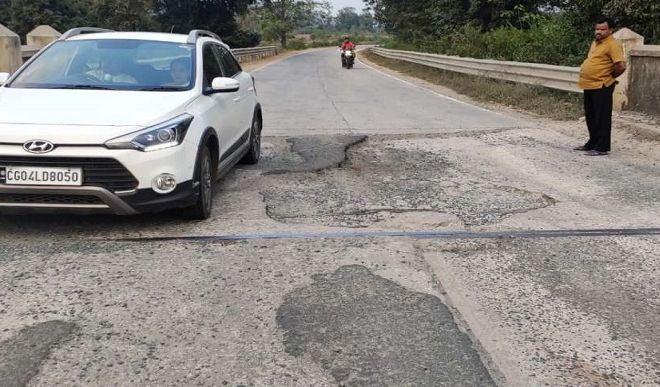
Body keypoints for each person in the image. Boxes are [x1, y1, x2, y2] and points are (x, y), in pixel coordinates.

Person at [575, 16, 627, 156]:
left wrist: (610, 77)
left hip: (602, 85)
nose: (599, 31)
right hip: (589, 84)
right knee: (591, 115)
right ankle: (592, 143)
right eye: (597, 29)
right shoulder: (595, 43)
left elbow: (621, 66)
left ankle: (602, 147)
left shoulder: (613, 44)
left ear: (610, 30)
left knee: (602, 117)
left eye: (603, 29)